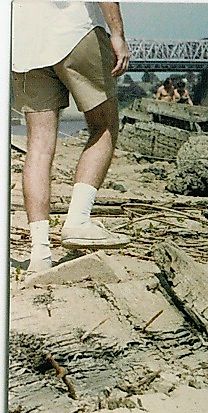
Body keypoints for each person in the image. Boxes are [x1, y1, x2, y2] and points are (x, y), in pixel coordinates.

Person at [11, 1, 131, 273]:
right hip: (74, 32)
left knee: (38, 146)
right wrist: (117, 34)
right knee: (105, 125)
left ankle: (39, 253)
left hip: (25, 43)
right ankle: (78, 219)